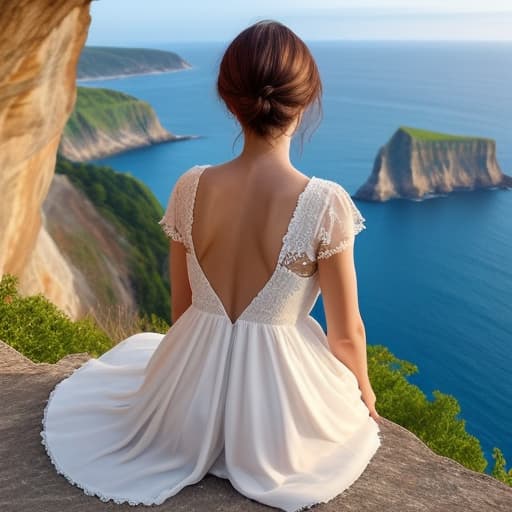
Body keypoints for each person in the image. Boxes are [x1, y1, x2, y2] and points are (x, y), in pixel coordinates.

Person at [41, 20, 381, 512]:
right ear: (304, 103)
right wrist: (365, 396)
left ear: (229, 98)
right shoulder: (325, 203)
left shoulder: (190, 186)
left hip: (190, 385)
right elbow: (345, 334)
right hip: (276, 410)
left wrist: (191, 383)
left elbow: (183, 310)